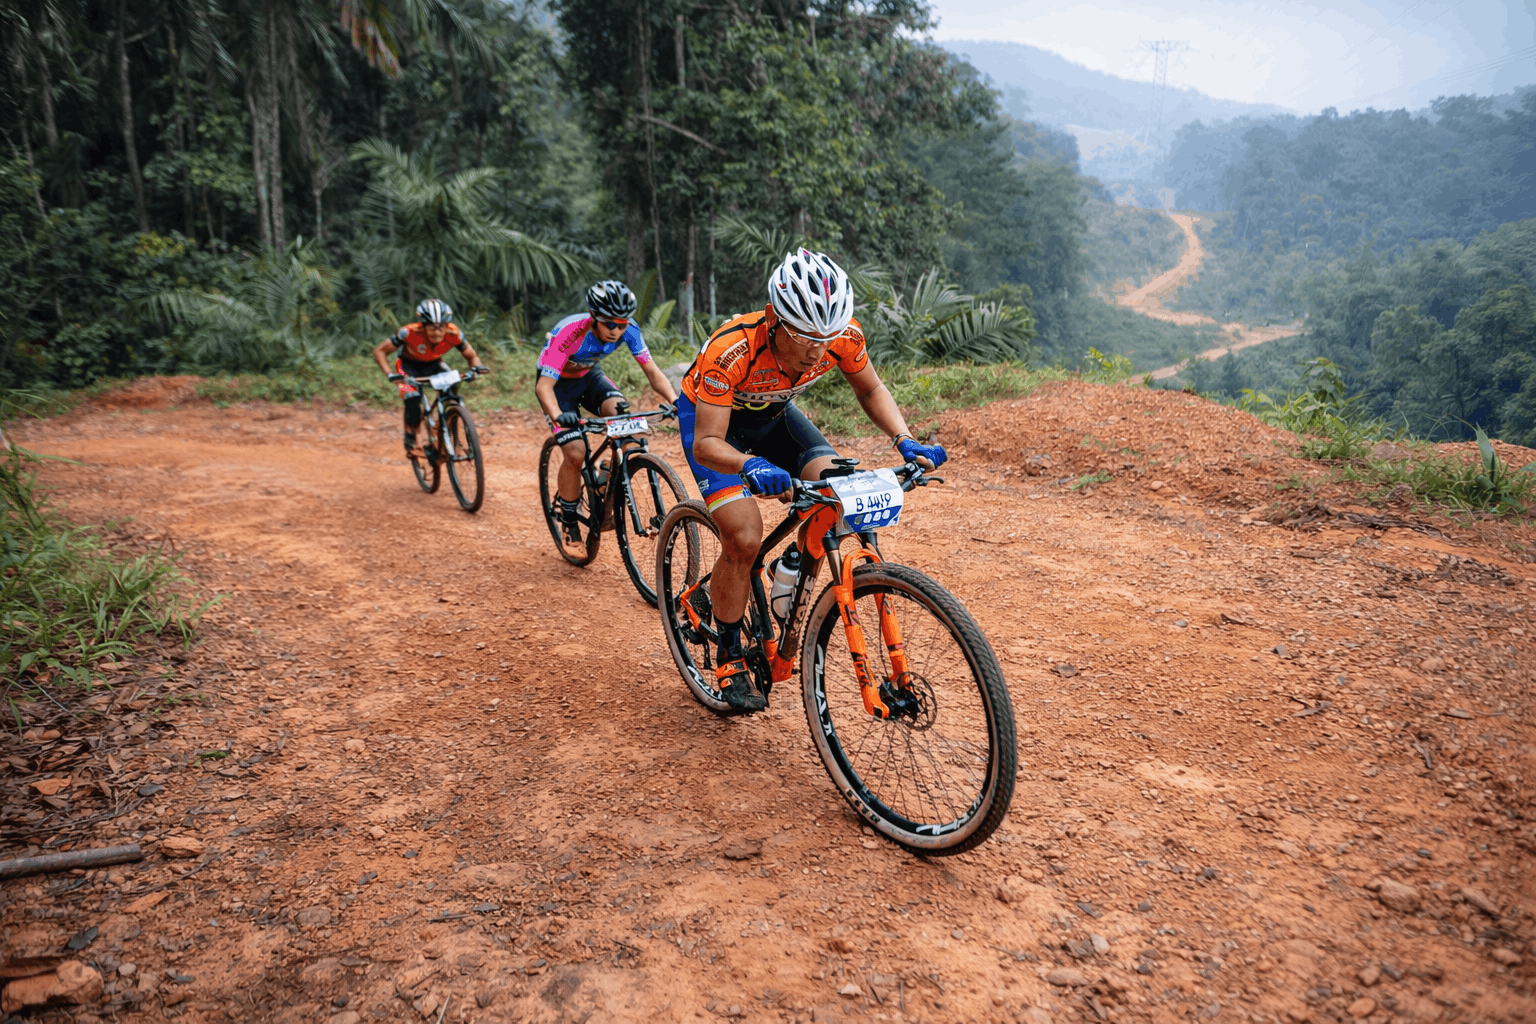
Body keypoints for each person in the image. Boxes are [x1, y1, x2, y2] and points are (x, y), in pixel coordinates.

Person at [677, 248, 947, 712]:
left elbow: (870, 388)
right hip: (716, 429)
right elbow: (707, 444)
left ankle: (792, 563)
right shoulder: (732, 349)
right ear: (774, 319)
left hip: (776, 417)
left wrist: (905, 440)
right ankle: (727, 656)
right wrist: (748, 465)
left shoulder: (842, 337)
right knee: (743, 537)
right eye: (804, 335)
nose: (818, 349)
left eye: (828, 335)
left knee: (841, 498)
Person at [534, 280, 679, 550]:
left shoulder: (630, 330)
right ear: (594, 318)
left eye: (622, 324)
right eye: (610, 324)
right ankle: (568, 519)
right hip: (557, 387)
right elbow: (544, 387)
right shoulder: (570, 333)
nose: (616, 330)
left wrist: (675, 400)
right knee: (575, 452)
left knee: (625, 425)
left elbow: (653, 373)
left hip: (589, 378)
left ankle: (605, 480)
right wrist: (557, 415)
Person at [372, 298, 488, 458]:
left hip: (434, 364)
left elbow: (472, 356)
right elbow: (379, 351)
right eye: (432, 328)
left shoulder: (455, 333)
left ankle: (445, 424)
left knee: (453, 386)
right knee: (412, 397)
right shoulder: (407, 332)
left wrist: (476, 368)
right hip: (406, 367)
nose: (437, 332)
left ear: (447, 326)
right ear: (422, 326)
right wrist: (390, 374)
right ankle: (411, 436)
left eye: (441, 327)